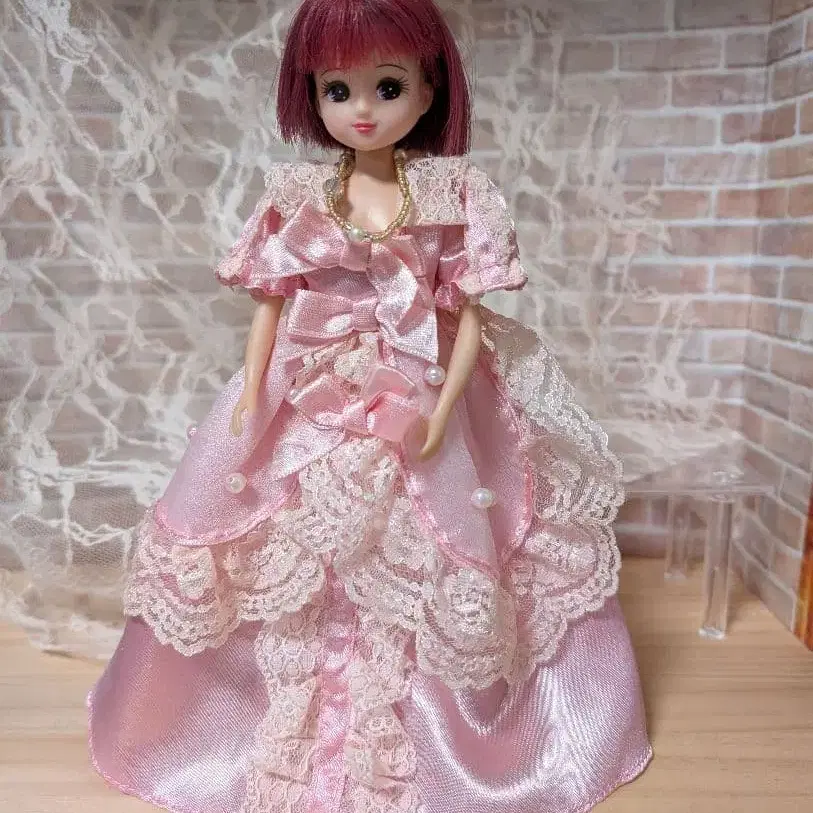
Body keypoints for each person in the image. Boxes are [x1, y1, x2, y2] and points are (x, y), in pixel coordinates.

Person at [87, 1, 651, 810]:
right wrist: (250, 394)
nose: (361, 110)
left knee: (428, 537)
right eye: (335, 89)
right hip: (306, 388)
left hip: (417, 387)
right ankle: (228, 729)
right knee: (276, 537)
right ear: (310, 94)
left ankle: (432, 748)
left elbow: (468, 315)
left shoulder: (455, 193)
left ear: (429, 90)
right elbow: (271, 305)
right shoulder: (296, 192)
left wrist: (443, 406)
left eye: (386, 86)